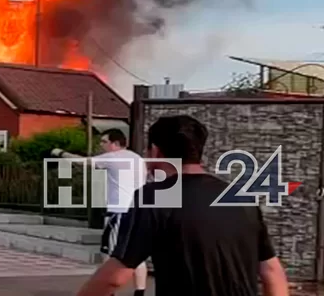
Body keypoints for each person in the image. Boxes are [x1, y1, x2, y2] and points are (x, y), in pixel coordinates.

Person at [77, 115, 289, 296]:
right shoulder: (241, 196)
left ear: (155, 151)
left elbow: (116, 276)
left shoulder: (156, 196)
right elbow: (271, 271)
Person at [95, 129, 148, 296]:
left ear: (115, 144)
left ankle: (108, 292)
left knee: (109, 253)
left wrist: (59, 153)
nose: (101, 145)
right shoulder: (138, 159)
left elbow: (83, 162)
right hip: (138, 210)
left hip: (119, 212)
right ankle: (140, 292)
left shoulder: (113, 157)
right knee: (138, 254)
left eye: (104, 142)